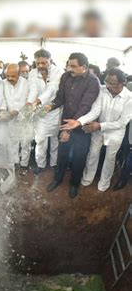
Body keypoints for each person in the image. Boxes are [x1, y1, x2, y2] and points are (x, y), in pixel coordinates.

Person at [61, 68, 132, 192]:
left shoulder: (129, 98)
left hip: (115, 132)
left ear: (122, 83)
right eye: (106, 81)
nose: (108, 85)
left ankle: (104, 183)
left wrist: (100, 126)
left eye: (112, 83)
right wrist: (79, 122)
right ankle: (87, 178)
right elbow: (96, 110)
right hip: (97, 127)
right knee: (92, 154)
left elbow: (122, 123)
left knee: (110, 158)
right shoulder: (102, 90)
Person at [45, 52, 100, 198]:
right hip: (66, 122)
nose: (69, 69)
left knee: (78, 157)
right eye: (69, 65)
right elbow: (60, 98)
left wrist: (69, 130)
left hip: (81, 126)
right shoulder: (66, 76)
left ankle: (74, 184)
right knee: (62, 154)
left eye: (73, 66)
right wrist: (49, 106)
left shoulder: (93, 81)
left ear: (84, 67)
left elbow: (85, 106)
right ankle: (57, 179)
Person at [27, 49, 64, 174]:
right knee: (40, 140)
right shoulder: (32, 73)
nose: (41, 66)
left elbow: (52, 89)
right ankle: (41, 164)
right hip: (39, 111)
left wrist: (37, 101)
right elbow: (32, 89)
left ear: (50, 60)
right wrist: (29, 102)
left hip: (54, 110)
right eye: (38, 63)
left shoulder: (58, 72)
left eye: (44, 63)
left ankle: (54, 163)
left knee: (54, 140)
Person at [0, 64, 30, 171]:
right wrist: (3, 111)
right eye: (7, 76)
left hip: (23, 116)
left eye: (12, 76)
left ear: (19, 74)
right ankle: (14, 163)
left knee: (25, 141)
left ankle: (24, 164)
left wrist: (14, 112)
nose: (9, 79)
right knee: (12, 140)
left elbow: (24, 100)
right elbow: (2, 98)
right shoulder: (3, 83)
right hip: (9, 118)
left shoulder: (25, 83)